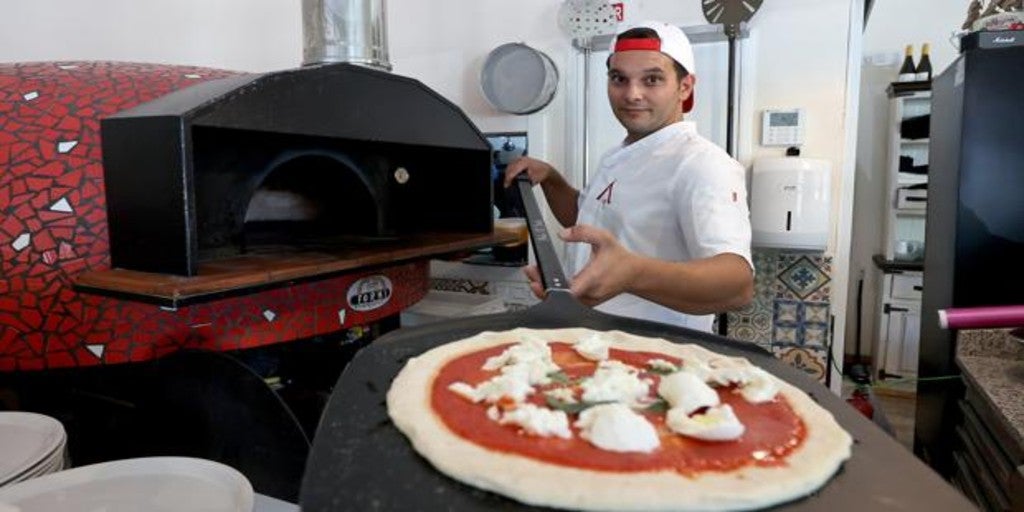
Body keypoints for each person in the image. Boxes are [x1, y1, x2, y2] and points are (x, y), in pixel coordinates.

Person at [504, 20, 753, 332]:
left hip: (657, 352)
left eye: (652, 79)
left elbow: (737, 284)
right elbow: (586, 222)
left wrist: (632, 273)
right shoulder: (620, 155)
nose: (632, 94)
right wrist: (551, 178)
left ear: (685, 86)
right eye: (619, 79)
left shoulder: (702, 163)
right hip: (595, 340)